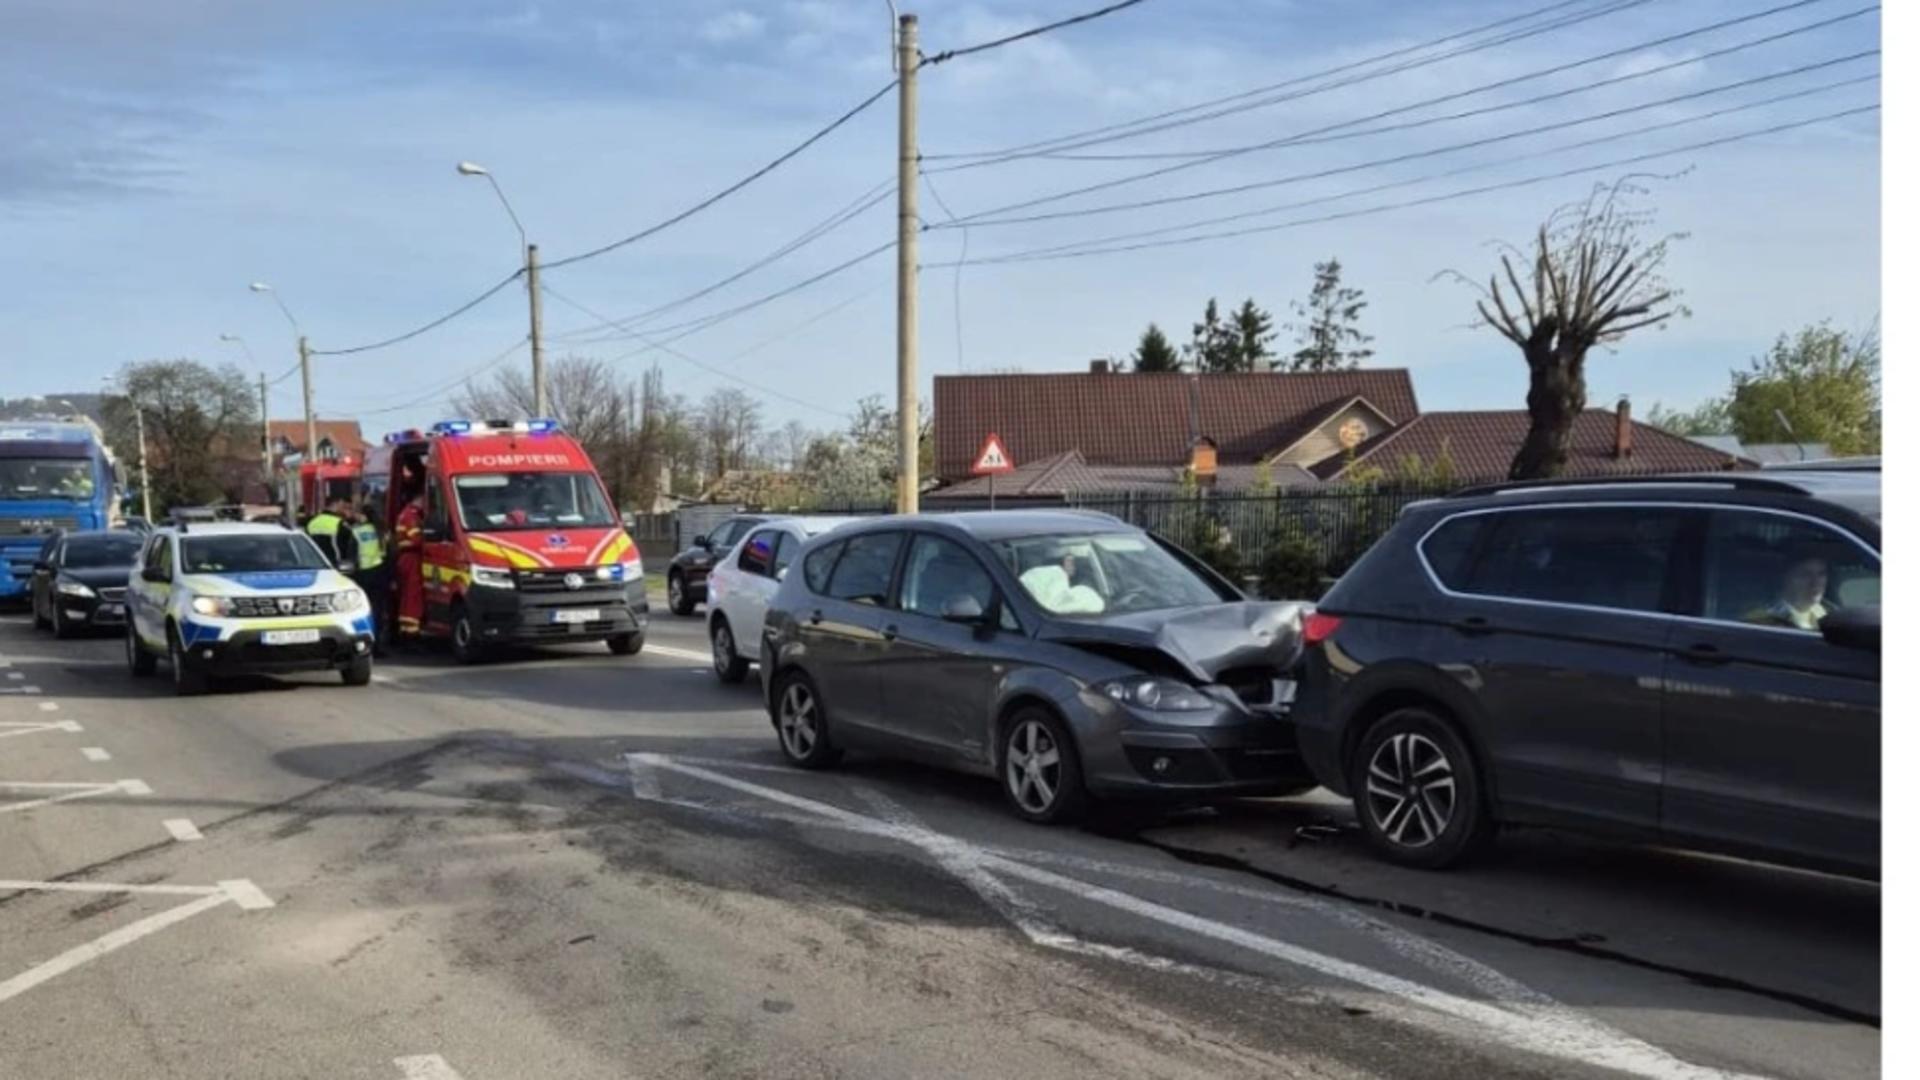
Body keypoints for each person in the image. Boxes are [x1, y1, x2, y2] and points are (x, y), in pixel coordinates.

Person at [1751, 556, 1830, 631]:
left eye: (1821, 574)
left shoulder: (1828, 613)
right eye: (1805, 575)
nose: (1815, 583)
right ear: (1786, 578)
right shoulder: (1762, 620)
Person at [352, 502, 387, 647]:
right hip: (379, 571)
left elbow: (351, 554)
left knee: (362, 609)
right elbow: (389, 552)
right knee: (378, 609)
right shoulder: (381, 530)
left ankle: (365, 641)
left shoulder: (356, 531)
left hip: (363, 573)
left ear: (364, 516)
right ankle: (378, 642)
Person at [393, 486, 426, 639]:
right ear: (418, 499)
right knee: (413, 594)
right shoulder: (412, 516)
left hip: (405, 558)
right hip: (411, 558)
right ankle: (412, 631)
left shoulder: (404, 513)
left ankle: (405, 628)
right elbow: (417, 540)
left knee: (406, 595)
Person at [306, 496, 357, 568]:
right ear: (335, 504)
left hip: (316, 564)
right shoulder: (339, 523)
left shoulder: (312, 522)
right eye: (343, 506)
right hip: (335, 564)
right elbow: (350, 545)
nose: (343, 509)